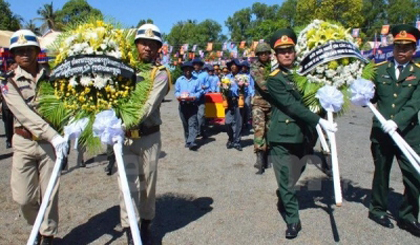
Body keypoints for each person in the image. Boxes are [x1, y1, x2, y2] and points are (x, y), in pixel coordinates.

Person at [266, 28, 337, 239]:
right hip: (283, 135)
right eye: (282, 51)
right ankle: (293, 220)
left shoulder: (307, 74)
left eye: (290, 50)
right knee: (287, 180)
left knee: (296, 172)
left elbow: (317, 99)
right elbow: (291, 106)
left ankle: (284, 195)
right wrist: (319, 120)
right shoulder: (275, 79)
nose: (287, 54)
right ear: (276, 55)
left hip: (305, 135)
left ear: (295, 52)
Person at [1, 29, 68, 245]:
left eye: (28, 49)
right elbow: (24, 114)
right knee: (23, 197)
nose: (24, 54)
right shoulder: (7, 82)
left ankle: (47, 235)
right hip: (24, 142)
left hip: (49, 145)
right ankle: (38, 225)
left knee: (49, 193)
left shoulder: (54, 76)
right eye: (19, 51)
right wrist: (54, 135)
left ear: (36, 50)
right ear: (13, 54)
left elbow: (64, 106)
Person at [119, 23, 171, 245]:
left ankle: (146, 222)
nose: (148, 48)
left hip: (149, 137)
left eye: (153, 45)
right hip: (126, 139)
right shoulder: (121, 69)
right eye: (143, 43)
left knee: (148, 185)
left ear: (158, 49)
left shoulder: (160, 74)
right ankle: (131, 228)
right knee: (127, 185)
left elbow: (148, 106)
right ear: (136, 45)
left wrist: (119, 124)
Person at [368, 24, 420, 237]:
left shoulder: (418, 74)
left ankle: (408, 216)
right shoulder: (379, 70)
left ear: (414, 49)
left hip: (408, 133)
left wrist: (397, 121)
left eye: (406, 47)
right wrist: (362, 96)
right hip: (382, 133)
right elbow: (370, 98)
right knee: (381, 172)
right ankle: (377, 209)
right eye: (398, 46)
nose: (401, 51)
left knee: (413, 176)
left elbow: (415, 103)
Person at [250, 42, 272, 174]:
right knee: (259, 130)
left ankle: (267, 156)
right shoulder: (254, 66)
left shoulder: (274, 65)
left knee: (270, 131)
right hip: (259, 103)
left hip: (273, 104)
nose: (264, 55)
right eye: (261, 53)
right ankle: (259, 159)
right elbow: (263, 85)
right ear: (257, 55)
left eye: (266, 53)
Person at [175, 61, 202, 150]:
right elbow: (177, 91)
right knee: (185, 123)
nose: (187, 70)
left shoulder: (196, 80)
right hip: (182, 104)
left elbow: (199, 91)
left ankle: (191, 141)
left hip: (192, 104)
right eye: (186, 69)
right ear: (183, 70)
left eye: (189, 69)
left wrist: (195, 96)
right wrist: (178, 96)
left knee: (192, 123)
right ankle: (187, 139)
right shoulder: (179, 80)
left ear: (192, 70)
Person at [225, 59, 244, 151]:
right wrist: (223, 88)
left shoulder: (242, 77)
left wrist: (242, 88)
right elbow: (221, 88)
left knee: (238, 123)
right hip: (228, 101)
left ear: (238, 67)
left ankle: (237, 141)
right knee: (228, 122)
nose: (233, 66)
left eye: (235, 65)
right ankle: (230, 138)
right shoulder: (226, 77)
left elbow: (248, 90)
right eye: (231, 65)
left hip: (238, 100)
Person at [192, 58, 209, 138]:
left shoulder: (205, 74)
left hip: (201, 97)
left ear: (201, 66)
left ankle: (202, 130)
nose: (196, 66)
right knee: (193, 115)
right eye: (195, 64)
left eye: (198, 64)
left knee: (201, 115)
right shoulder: (191, 73)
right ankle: (196, 132)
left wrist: (204, 86)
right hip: (192, 97)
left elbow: (208, 85)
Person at [0, 61, 16, 148]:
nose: (16, 66)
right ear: (10, 66)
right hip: (7, 103)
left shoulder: (20, 74)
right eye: (14, 64)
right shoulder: (4, 75)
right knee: (8, 123)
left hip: (19, 103)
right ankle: (9, 140)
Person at [240, 60, 254, 132]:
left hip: (247, 94)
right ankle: (241, 123)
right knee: (240, 108)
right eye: (242, 67)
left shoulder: (249, 75)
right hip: (240, 94)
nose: (243, 68)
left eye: (245, 67)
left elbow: (251, 85)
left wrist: (252, 94)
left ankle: (247, 121)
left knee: (247, 107)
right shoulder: (238, 75)